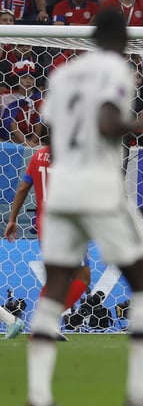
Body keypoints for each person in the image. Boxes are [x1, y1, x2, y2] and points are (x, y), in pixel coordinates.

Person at [26, 8, 143, 406]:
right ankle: (139, 394)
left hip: (62, 188)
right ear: (123, 40)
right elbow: (106, 121)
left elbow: (48, 134)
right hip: (99, 186)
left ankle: (39, 398)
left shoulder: (62, 75)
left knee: (57, 283)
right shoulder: (114, 69)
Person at [4, 144, 92, 340]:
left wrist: (12, 219)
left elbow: (23, 187)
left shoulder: (39, 155)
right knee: (83, 276)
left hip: (45, 228)